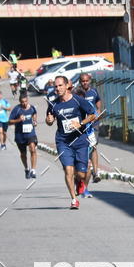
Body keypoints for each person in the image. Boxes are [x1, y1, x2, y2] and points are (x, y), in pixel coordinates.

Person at [46, 75, 97, 209]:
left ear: (67, 85)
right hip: (63, 141)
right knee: (68, 169)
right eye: (55, 86)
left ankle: (79, 180)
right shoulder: (53, 104)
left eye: (60, 85)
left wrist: (80, 123)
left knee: (81, 173)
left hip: (80, 140)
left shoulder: (78, 100)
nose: (57, 88)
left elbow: (93, 114)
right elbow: (49, 119)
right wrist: (49, 121)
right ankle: (74, 200)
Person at [74, 72, 102, 183]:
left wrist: (98, 110)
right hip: (81, 125)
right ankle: (82, 171)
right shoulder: (77, 93)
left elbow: (98, 101)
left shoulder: (93, 91)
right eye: (83, 81)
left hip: (93, 125)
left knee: (93, 146)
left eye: (87, 81)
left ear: (89, 81)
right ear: (80, 82)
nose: (85, 83)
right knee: (83, 148)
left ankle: (96, 172)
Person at [8, 91, 38, 179]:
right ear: (20, 102)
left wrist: (34, 121)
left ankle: (33, 170)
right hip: (20, 135)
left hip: (30, 133)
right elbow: (9, 122)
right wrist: (18, 120)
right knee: (23, 154)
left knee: (33, 149)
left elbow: (34, 114)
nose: (24, 104)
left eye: (26, 101)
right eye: (22, 102)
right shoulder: (16, 109)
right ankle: (26, 168)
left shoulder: (32, 108)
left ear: (27, 100)